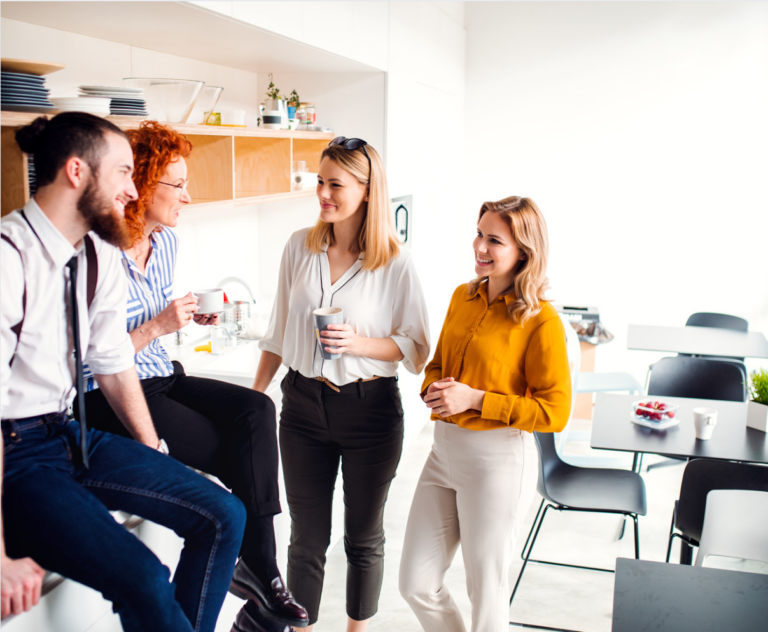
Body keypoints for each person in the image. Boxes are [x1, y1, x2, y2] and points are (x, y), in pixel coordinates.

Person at [0, 113, 246, 632]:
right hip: (15, 458)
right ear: (76, 172)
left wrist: (150, 449)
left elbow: (112, 360)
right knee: (143, 575)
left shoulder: (95, 254)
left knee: (224, 515)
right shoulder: (8, 260)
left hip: (69, 433)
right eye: (124, 173)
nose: (134, 190)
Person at [80, 121, 308, 632]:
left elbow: (152, 329)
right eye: (177, 185)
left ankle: (259, 569)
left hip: (162, 375)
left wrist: (181, 319)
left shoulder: (165, 246)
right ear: (139, 185)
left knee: (258, 409)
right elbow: (92, 357)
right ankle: (259, 576)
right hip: (112, 396)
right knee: (235, 450)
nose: (188, 195)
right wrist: (159, 323)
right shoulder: (97, 253)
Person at [253, 137, 430, 632]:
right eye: (320, 182)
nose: (323, 193)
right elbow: (278, 327)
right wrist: (256, 395)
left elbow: (415, 346)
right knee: (305, 538)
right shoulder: (299, 247)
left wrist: (358, 342)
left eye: (335, 184)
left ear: (367, 190)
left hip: (369, 410)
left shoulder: (395, 261)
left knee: (362, 536)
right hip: (302, 406)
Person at [398, 196, 572, 632]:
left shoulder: (541, 321)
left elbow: (555, 412)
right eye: (479, 233)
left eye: (494, 240)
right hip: (442, 454)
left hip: (497, 464)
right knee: (415, 582)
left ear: (523, 252)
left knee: (486, 592)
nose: (480, 246)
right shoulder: (464, 296)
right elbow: (438, 364)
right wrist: (434, 390)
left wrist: (475, 400)